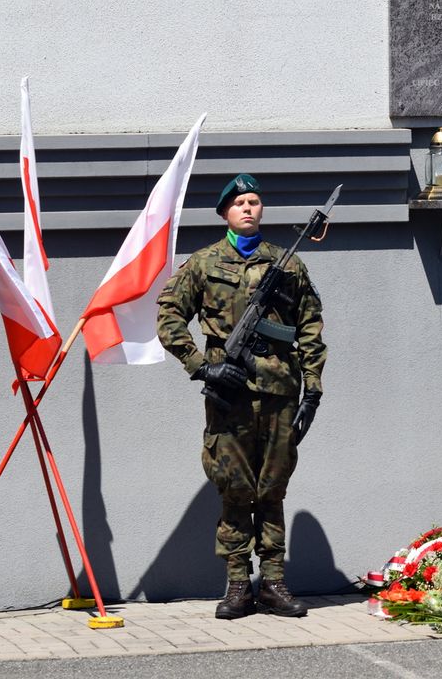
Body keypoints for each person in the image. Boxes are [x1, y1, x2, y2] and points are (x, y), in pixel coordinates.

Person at [157, 173, 327, 618]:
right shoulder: (203, 263)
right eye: (239, 203)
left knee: (272, 488)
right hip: (229, 396)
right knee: (235, 490)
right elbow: (169, 316)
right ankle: (237, 585)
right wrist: (202, 366)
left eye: (254, 201)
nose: (248, 208)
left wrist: (313, 389)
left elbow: (310, 327)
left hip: (279, 393)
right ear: (225, 213)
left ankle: (273, 583)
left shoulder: (288, 264)